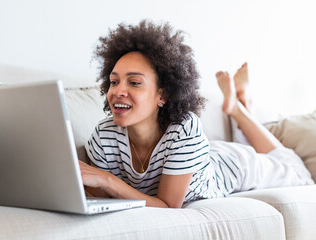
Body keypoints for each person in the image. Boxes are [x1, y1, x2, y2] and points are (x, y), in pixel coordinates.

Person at [79, 20, 314, 208]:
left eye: (134, 83)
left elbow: (168, 207)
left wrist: (108, 180)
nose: (118, 91)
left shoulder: (185, 127)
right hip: (195, 156)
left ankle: (239, 110)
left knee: (297, 171)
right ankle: (241, 105)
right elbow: (100, 201)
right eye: (113, 81)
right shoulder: (104, 135)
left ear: (163, 95)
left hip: (230, 166)